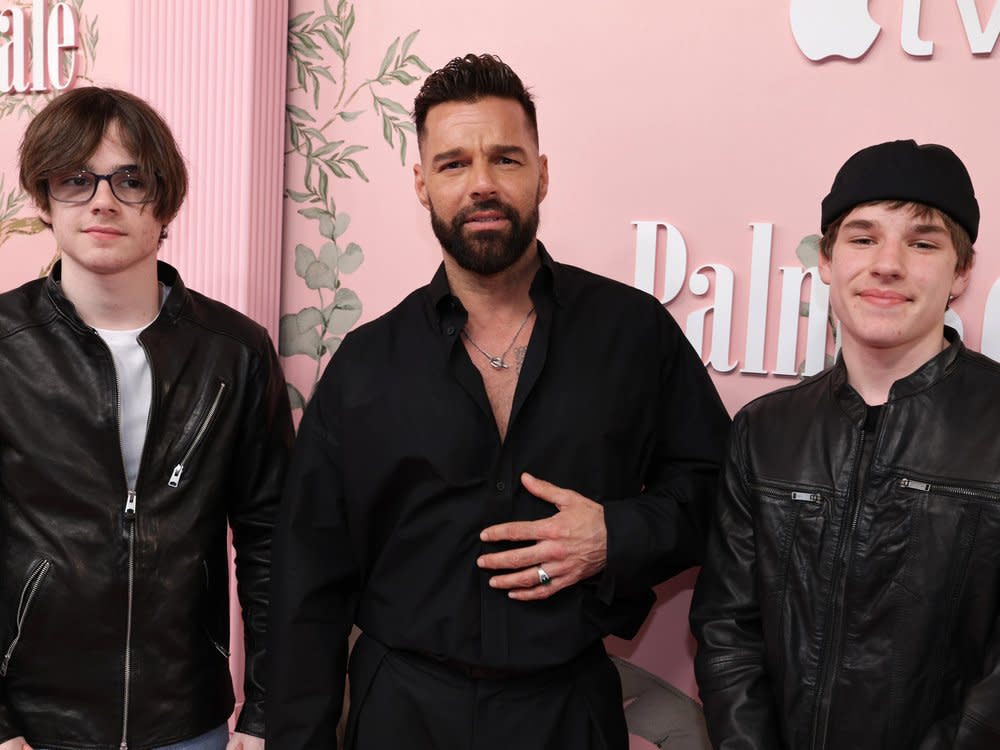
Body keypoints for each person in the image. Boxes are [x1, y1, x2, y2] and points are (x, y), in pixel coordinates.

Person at [267, 53, 730, 750]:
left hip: (568, 713)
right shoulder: (365, 364)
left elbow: (718, 490)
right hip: (402, 714)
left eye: (505, 159)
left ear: (542, 174)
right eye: (453, 164)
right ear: (422, 184)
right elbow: (307, 583)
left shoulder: (633, 334)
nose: (482, 184)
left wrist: (616, 534)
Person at [0, 87, 293, 750]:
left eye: (130, 179)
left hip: (186, 718)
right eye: (76, 179)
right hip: (34, 726)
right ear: (44, 198)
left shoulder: (235, 351)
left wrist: (265, 713)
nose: (103, 200)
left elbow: (272, 542)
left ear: (164, 201)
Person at [691, 140, 1000, 749]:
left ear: (961, 272)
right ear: (827, 260)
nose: (887, 265)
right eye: (863, 238)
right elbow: (728, 633)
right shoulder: (764, 431)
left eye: (922, 242)